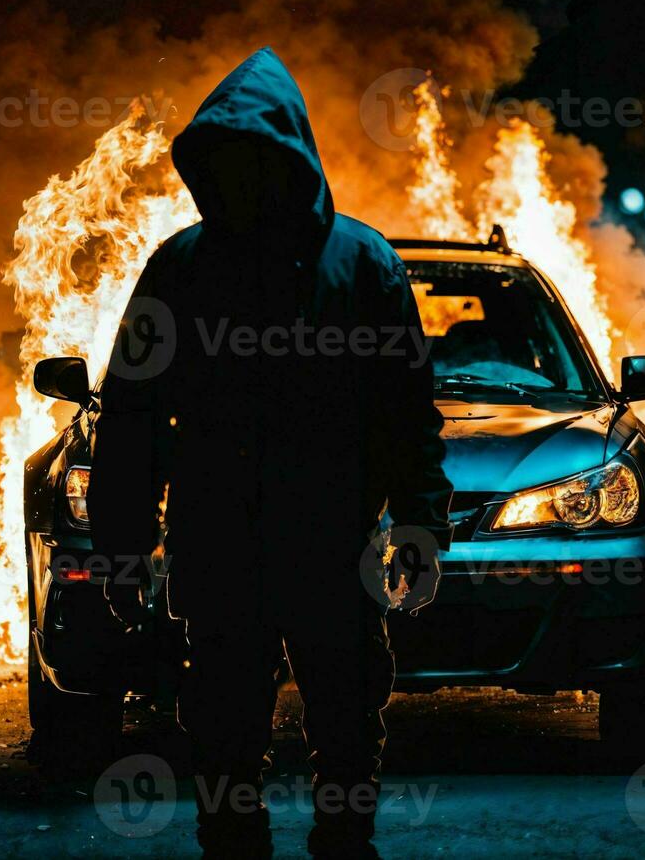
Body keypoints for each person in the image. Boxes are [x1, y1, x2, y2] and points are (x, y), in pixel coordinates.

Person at [86, 47, 453, 858]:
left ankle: (339, 845)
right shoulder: (185, 268)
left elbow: (403, 412)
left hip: (321, 547)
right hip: (232, 550)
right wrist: (119, 549)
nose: (243, 181)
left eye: (257, 161)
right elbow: (132, 417)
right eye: (229, 164)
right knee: (225, 734)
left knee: (345, 728)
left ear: (288, 157)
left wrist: (424, 525)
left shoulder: (359, 265)